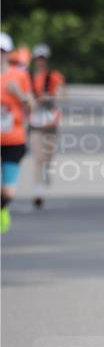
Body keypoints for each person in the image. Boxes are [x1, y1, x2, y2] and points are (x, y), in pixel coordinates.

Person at [1, 33, 32, 233]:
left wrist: (18, 94)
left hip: (13, 138)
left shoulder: (19, 76)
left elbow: (32, 105)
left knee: (9, 192)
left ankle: (2, 209)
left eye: (1, 51)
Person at [29, 44, 66, 209]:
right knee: (38, 158)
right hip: (35, 120)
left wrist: (50, 96)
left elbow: (62, 93)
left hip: (51, 120)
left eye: (43, 58)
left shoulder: (54, 76)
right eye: (38, 58)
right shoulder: (29, 77)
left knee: (48, 155)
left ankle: (47, 167)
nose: (40, 61)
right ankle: (38, 193)